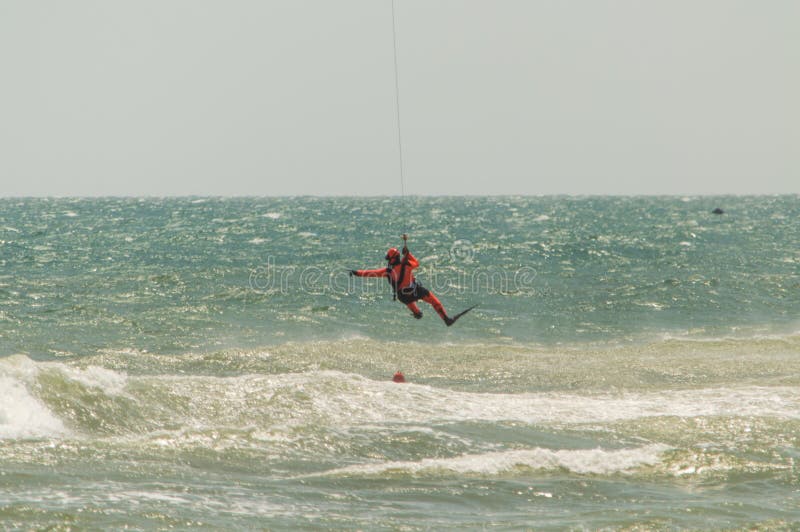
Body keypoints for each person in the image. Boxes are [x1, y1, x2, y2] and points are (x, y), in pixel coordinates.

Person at [350, 236, 455, 326]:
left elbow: (370, 273)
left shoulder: (388, 271)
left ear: (391, 259)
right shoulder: (407, 264)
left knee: (408, 299)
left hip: (403, 297)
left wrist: (356, 273)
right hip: (414, 291)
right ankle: (446, 319)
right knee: (434, 302)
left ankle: (417, 312)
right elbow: (416, 263)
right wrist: (408, 254)